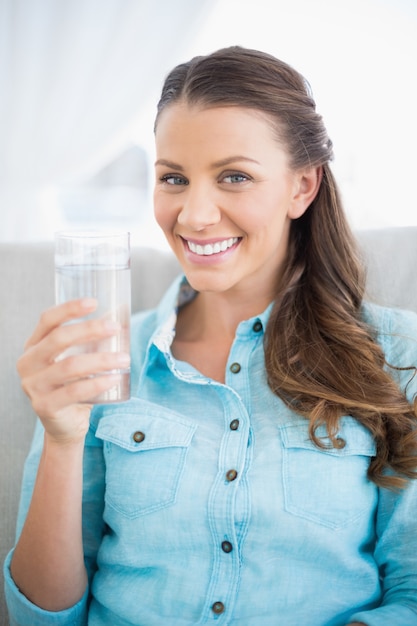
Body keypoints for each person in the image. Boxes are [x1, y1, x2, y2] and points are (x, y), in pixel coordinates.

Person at [3, 46, 417, 626]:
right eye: (173, 177)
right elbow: (42, 618)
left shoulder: (399, 355)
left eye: (235, 177)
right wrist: (63, 438)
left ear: (302, 186)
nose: (195, 215)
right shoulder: (102, 358)